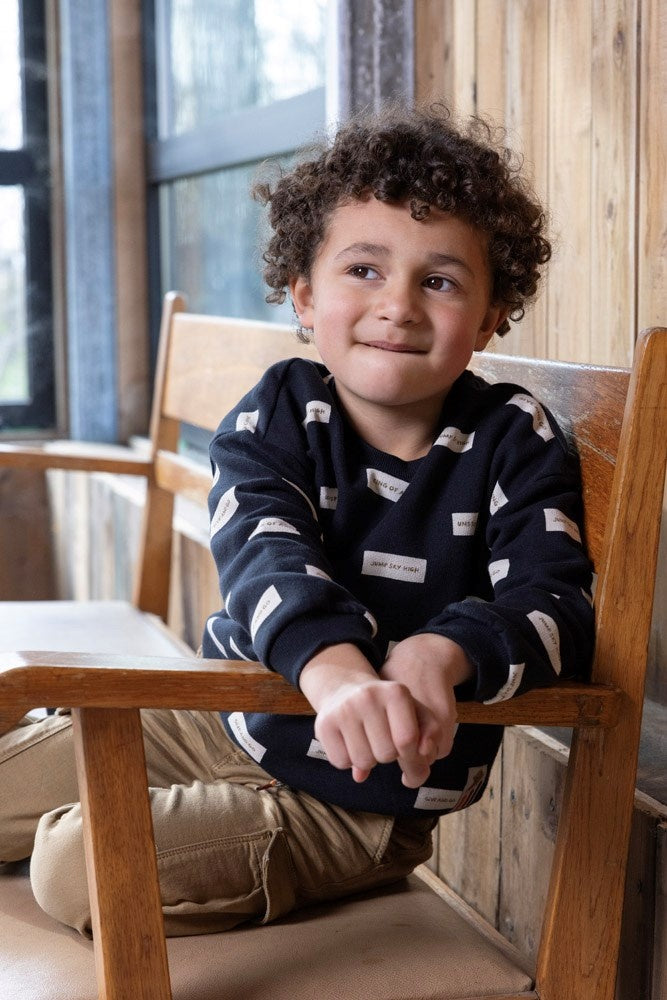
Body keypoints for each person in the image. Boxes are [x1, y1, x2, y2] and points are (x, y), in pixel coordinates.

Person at [0, 104, 594, 937]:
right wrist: (336, 671)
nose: (398, 306)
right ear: (305, 297)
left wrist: (445, 650)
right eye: (364, 270)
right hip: (219, 716)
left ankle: (224, 849)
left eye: (438, 281)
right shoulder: (283, 408)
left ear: (491, 314)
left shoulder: (512, 437)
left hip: (356, 802)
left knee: (73, 864)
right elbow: (263, 551)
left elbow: (555, 602)